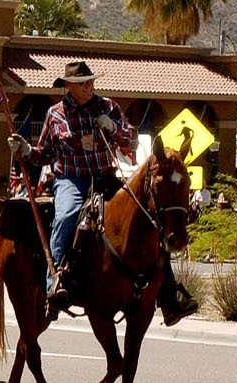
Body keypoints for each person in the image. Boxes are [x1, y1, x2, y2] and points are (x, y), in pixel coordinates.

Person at [29, 61, 197, 325]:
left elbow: (131, 139)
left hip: (105, 176)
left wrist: (114, 128)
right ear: (69, 86)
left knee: (147, 218)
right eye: (83, 83)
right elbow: (45, 155)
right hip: (71, 179)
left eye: (91, 82)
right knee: (67, 215)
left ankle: (169, 296)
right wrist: (26, 151)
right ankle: (56, 282)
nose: (89, 86)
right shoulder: (55, 115)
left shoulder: (107, 107)